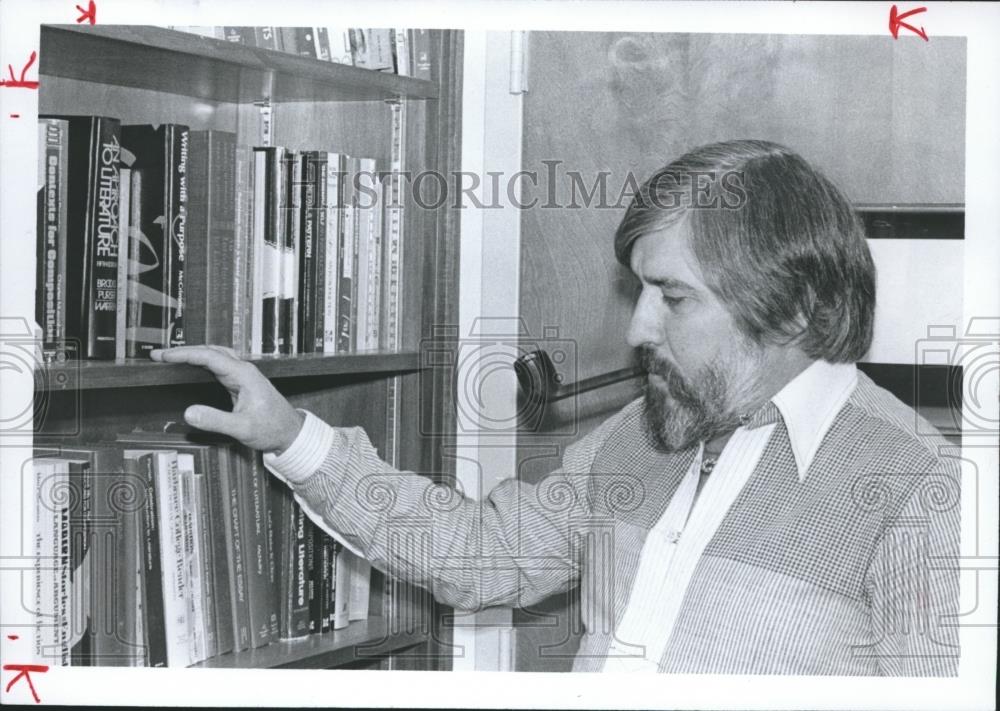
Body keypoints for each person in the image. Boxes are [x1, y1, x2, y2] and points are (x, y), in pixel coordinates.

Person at [151, 139, 960, 675]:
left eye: (671, 297)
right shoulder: (640, 432)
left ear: (789, 309)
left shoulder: (925, 490)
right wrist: (292, 436)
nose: (639, 328)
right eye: (641, 291)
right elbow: (478, 555)